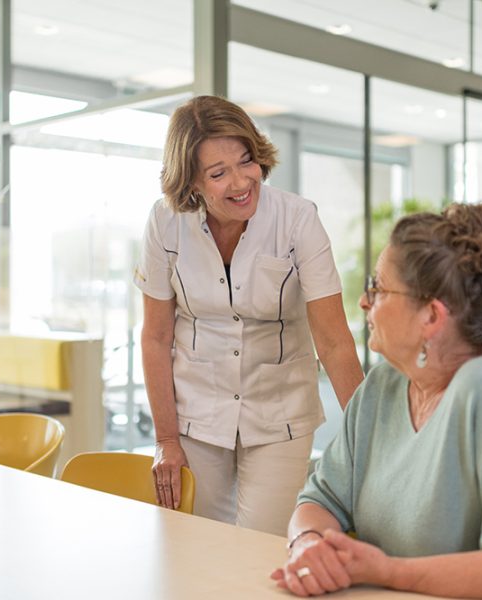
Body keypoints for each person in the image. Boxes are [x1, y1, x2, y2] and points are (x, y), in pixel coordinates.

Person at [271, 203, 482, 598]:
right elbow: (321, 498)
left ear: (431, 317)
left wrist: (388, 572)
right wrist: (309, 544)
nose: (365, 303)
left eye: (380, 288)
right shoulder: (382, 385)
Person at [134, 95, 363, 535]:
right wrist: (166, 440)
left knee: (265, 541)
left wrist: (367, 438)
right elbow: (156, 337)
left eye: (247, 162)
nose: (241, 182)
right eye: (218, 173)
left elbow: (333, 341)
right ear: (191, 182)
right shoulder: (165, 222)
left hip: (281, 412)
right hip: (195, 412)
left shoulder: (297, 219)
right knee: (198, 544)